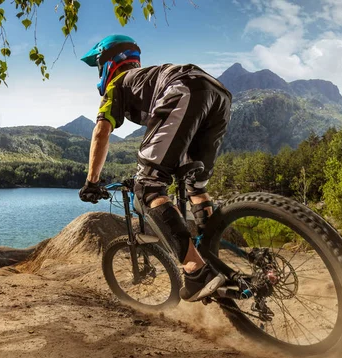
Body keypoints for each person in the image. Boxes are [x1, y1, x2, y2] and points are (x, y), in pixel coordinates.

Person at [78, 34, 232, 302]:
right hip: (218, 93)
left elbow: (101, 132)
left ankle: (196, 273)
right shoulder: (146, 78)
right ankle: (211, 256)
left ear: (107, 63)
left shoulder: (118, 82)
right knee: (195, 183)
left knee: (148, 186)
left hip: (183, 89)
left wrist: (92, 182)